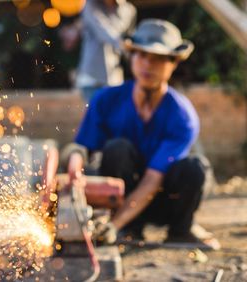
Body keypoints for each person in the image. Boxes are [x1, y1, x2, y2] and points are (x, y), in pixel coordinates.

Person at [74, 19, 219, 249]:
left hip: (162, 202)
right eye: (141, 55)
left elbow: (153, 180)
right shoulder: (105, 100)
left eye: (159, 58)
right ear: (131, 57)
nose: (147, 65)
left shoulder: (182, 116)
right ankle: (129, 230)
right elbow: (82, 149)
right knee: (116, 149)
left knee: (195, 167)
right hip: (118, 198)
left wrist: (113, 223)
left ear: (173, 63)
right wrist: (70, 164)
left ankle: (181, 230)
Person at [76, 0, 136, 102]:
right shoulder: (90, 4)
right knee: (96, 116)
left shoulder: (129, 10)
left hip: (115, 78)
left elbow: (130, 38)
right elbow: (102, 30)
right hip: (91, 77)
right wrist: (124, 45)